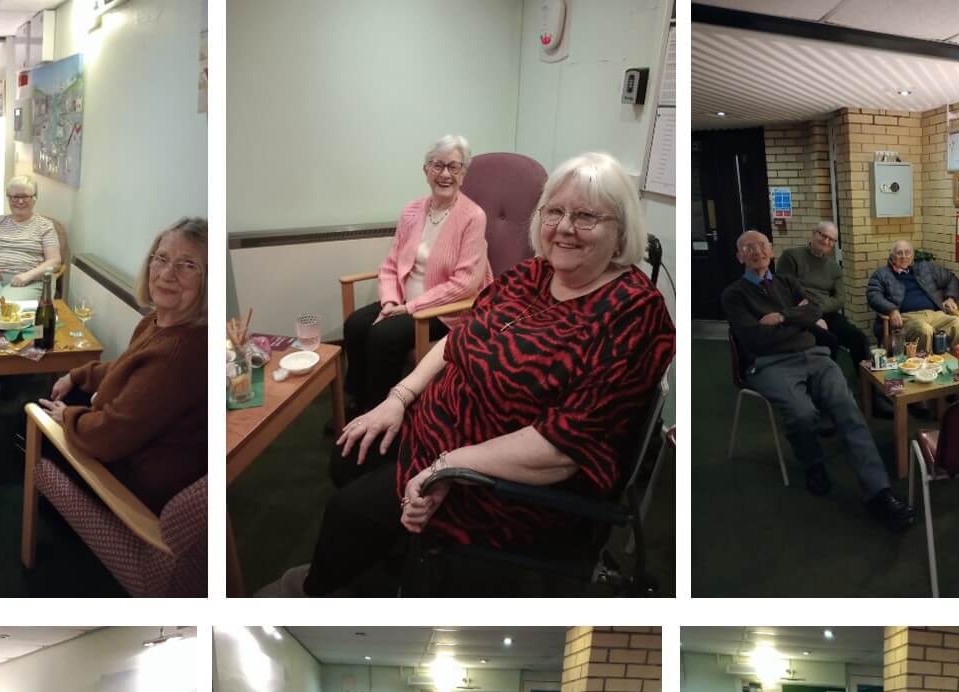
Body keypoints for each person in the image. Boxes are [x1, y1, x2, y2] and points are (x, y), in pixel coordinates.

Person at [261, 151, 676, 596]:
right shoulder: (533, 273)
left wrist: (448, 467)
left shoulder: (633, 311)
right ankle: (393, 555)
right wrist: (397, 400)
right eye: (554, 211)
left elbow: (561, 448)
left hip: (499, 479)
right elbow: (455, 341)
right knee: (350, 454)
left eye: (587, 216)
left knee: (348, 512)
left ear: (621, 232)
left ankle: (318, 592)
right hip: (439, 431)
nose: (565, 227)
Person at [723, 230, 914, 528]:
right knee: (802, 414)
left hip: (813, 355)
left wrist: (783, 318)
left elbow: (813, 309)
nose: (757, 251)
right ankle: (812, 462)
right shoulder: (734, 294)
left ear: (771, 251)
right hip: (770, 364)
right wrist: (798, 321)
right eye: (748, 248)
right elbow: (754, 338)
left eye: (762, 246)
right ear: (739, 256)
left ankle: (879, 493)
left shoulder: (786, 282)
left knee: (849, 410)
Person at [36, 218, 208, 512]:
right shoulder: (158, 322)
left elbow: (109, 435)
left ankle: (58, 518)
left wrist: (69, 418)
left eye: (187, 265)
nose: (167, 273)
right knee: (56, 394)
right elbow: (125, 367)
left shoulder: (179, 354)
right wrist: (77, 376)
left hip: (136, 480)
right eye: (162, 259)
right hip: (129, 442)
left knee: (34, 422)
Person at [341, 135, 490, 424]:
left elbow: (465, 285)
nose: (445, 174)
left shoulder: (473, 216)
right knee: (355, 325)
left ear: (463, 174)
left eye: (454, 167)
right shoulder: (411, 210)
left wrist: (410, 308)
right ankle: (358, 401)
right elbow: (390, 265)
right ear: (426, 170)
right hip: (402, 302)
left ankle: (378, 414)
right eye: (437, 165)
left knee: (383, 336)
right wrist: (390, 301)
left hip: (446, 309)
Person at [775, 220, 871, 364]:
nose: (826, 241)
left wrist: (817, 309)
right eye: (823, 236)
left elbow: (840, 299)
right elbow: (784, 292)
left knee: (858, 337)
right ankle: (826, 381)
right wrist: (810, 315)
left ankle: (865, 382)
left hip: (825, 312)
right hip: (798, 314)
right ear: (814, 234)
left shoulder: (834, 267)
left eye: (831, 240)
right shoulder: (791, 256)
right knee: (829, 340)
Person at [866, 239, 959, 352]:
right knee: (924, 329)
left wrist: (950, 297)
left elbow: (951, 278)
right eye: (899, 253)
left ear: (912, 256)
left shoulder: (925, 268)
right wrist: (891, 310)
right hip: (906, 318)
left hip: (934, 315)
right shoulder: (882, 274)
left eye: (907, 252)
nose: (904, 256)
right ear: (892, 256)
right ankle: (926, 368)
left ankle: (958, 365)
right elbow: (873, 295)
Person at [0, 174, 59, 288]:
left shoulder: (45, 226)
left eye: (25, 196)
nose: (20, 201)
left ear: (34, 199)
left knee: (8, 305)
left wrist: (28, 276)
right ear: (8, 198)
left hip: (28, 281)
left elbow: (54, 261)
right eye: (15, 197)